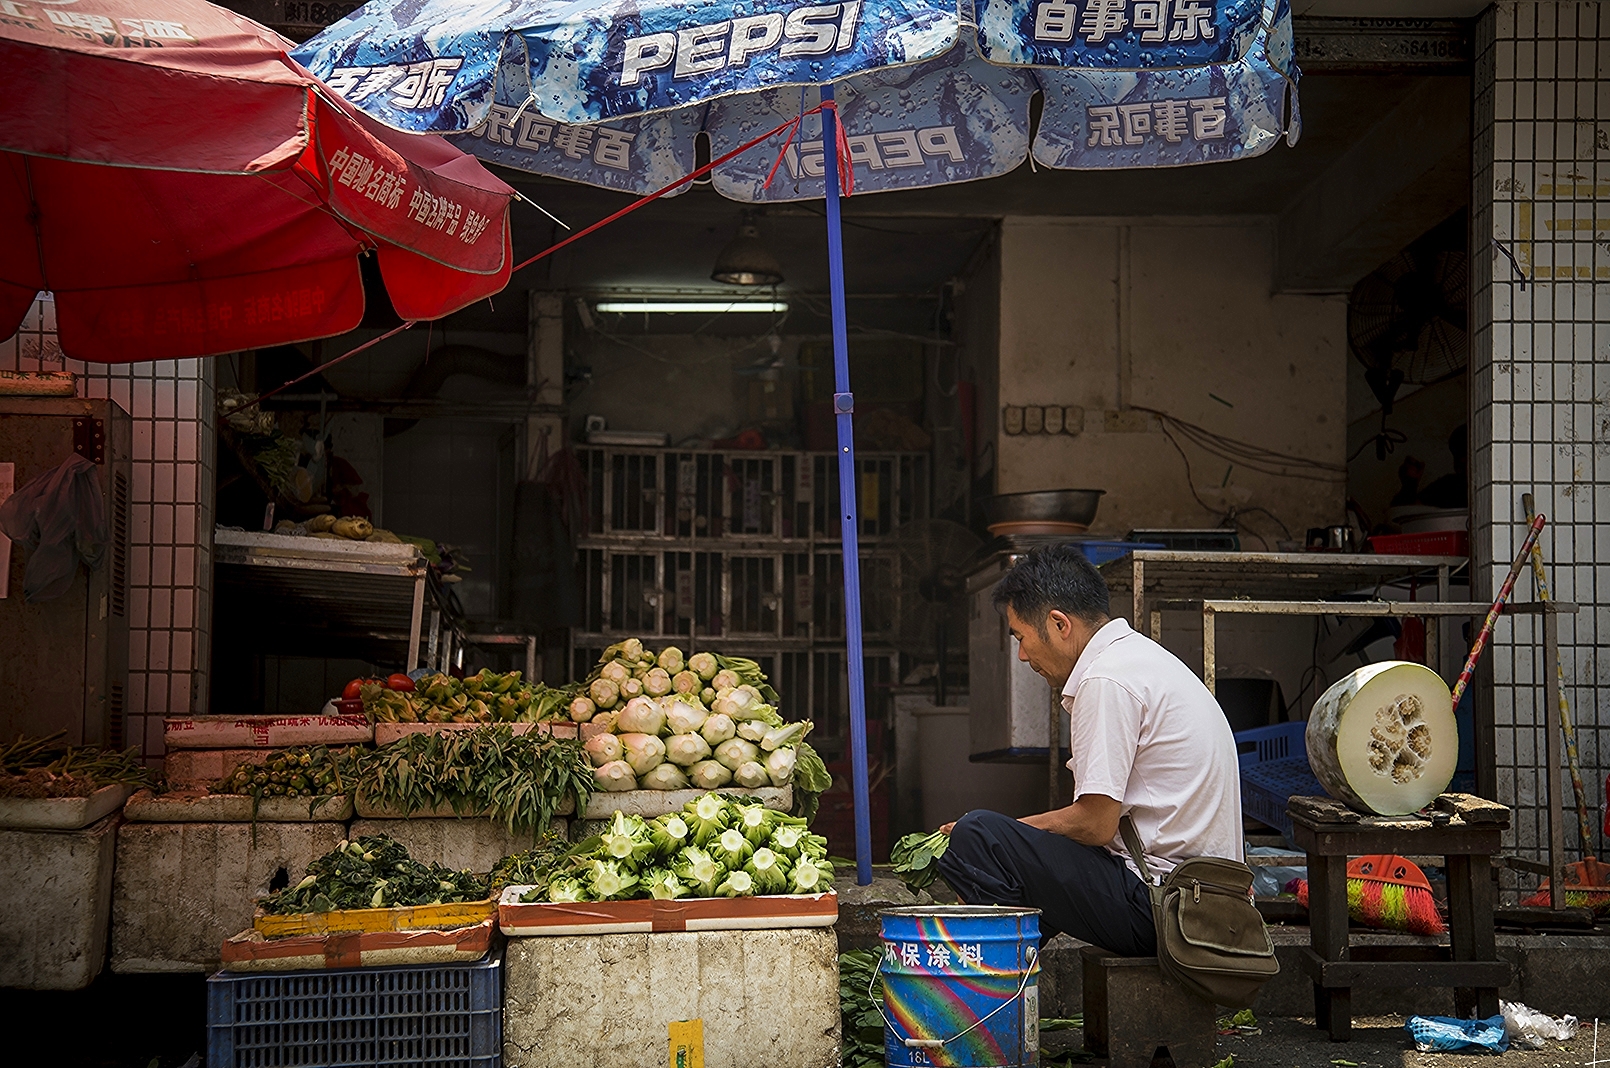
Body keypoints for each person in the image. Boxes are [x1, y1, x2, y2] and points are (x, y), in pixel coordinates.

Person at [936, 543, 1243, 956]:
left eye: (1022, 638)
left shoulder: (1107, 680)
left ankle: (988, 979)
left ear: (1059, 623)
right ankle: (1001, 967)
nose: (1024, 655)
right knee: (1001, 848)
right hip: (1200, 904)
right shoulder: (1139, 660)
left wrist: (1006, 840)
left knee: (977, 833)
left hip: (1168, 909)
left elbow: (1096, 824)